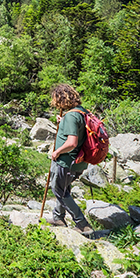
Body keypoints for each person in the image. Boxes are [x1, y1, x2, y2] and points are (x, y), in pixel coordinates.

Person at [45, 83, 94, 236]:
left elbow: (72, 142)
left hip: (67, 162)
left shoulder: (72, 116)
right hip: (78, 162)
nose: (56, 103)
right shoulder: (81, 112)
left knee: (59, 190)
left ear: (61, 99)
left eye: (56, 100)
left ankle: (82, 224)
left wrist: (57, 152)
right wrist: (63, 122)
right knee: (64, 189)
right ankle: (58, 218)